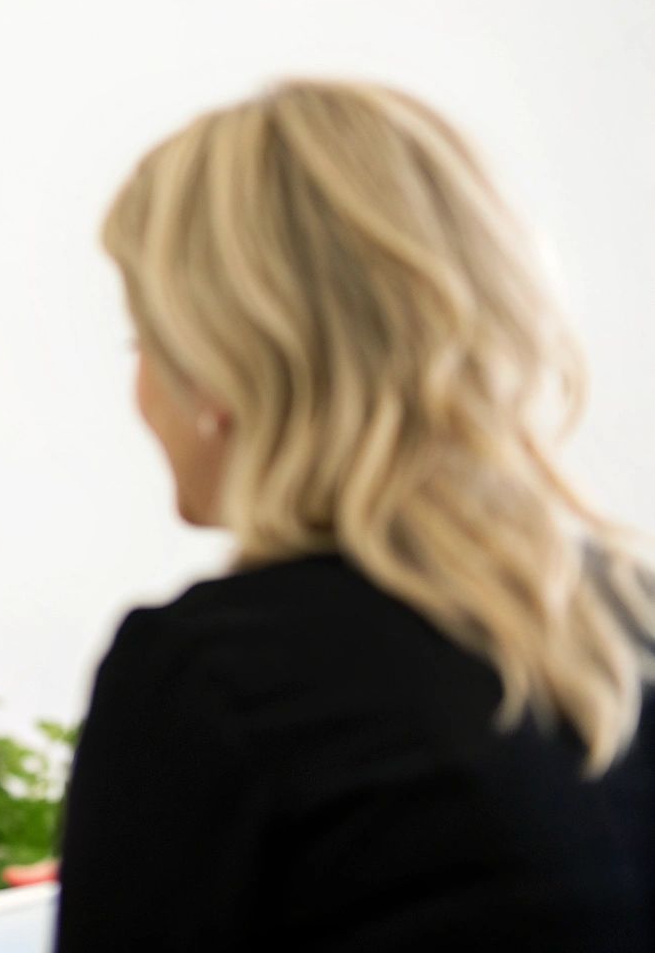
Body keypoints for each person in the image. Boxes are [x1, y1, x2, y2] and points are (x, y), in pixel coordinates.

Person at [56, 80, 655, 951]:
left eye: (144, 342)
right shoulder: (627, 617)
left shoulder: (212, 680)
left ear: (219, 368)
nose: (139, 387)